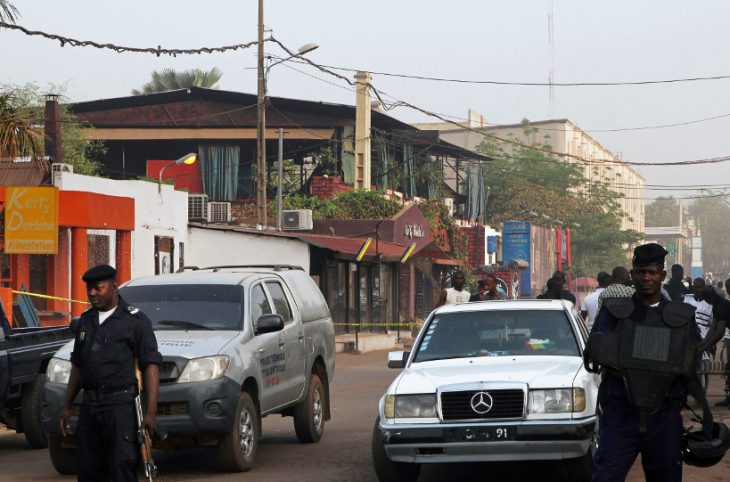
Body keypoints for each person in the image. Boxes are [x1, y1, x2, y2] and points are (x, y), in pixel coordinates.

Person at [588, 243, 698, 482]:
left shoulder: (681, 318)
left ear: (662, 275)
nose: (646, 278)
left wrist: (632, 365)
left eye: (652, 272)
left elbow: (687, 364)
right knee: (605, 476)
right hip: (621, 414)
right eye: (640, 272)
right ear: (632, 274)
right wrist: (656, 366)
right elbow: (602, 357)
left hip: (664, 417)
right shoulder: (615, 312)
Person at [59, 264, 162, 482]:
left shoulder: (135, 321)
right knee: (88, 470)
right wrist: (67, 406)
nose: (91, 293)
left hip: (120, 407)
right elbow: (78, 365)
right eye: (89, 289)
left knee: (121, 468)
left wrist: (151, 412)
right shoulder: (86, 321)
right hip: (90, 407)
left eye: (98, 288)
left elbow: (150, 366)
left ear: (114, 286)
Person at [683, 278, 713, 363]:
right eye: (696, 287)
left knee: (703, 368)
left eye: (701, 287)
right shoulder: (686, 299)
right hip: (687, 339)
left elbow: (712, 326)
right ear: (693, 287)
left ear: (704, 287)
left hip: (704, 340)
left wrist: (712, 343)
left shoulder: (710, 303)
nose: (698, 289)